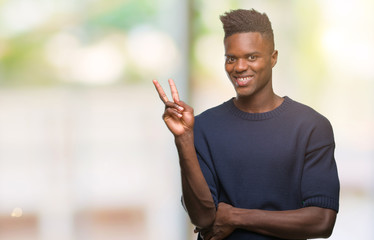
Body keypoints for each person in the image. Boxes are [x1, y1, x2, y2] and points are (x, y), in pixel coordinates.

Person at [153, 8, 339, 240]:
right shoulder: (202, 127)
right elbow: (202, 218)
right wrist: (183, 139)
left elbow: (322, 221)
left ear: (273, 58)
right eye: (231, 58)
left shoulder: (311, 126)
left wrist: (235, 216)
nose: (239, 67)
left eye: (251, 57)